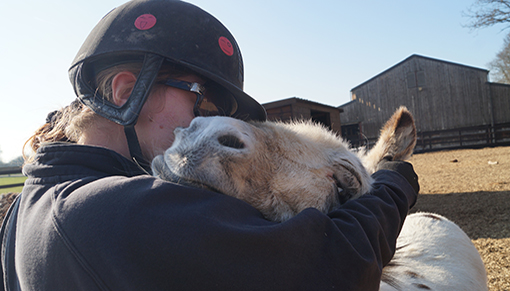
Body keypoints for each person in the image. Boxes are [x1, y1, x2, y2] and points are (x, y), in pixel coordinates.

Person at [0, 0, 419, 290]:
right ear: (127, 91)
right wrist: (391, 184)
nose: (212, 121)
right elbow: (333, 268)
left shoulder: (27, 208)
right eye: (201, 100)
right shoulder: (108, 212)